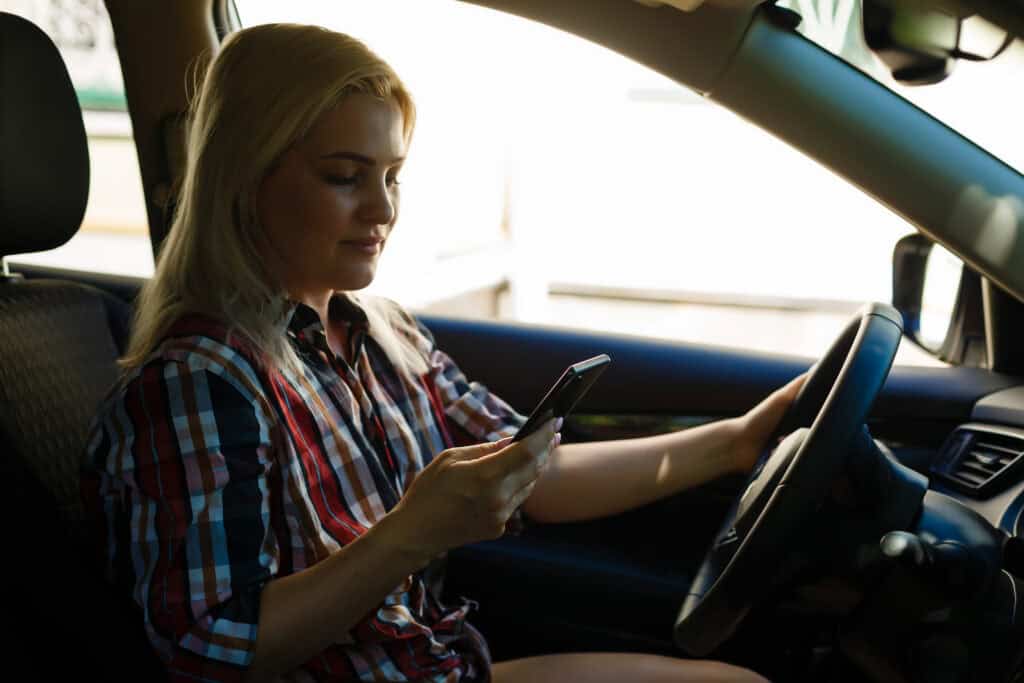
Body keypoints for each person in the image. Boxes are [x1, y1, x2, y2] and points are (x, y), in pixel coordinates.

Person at [81, 22, 803, 683]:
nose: (384, 209)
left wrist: (737, 444)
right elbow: (208, 647)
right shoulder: (198, 383)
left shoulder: (381, 333)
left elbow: (532, 472)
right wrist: (408, 535)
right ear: (246, 177)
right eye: (344, 176)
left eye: (392, 176)